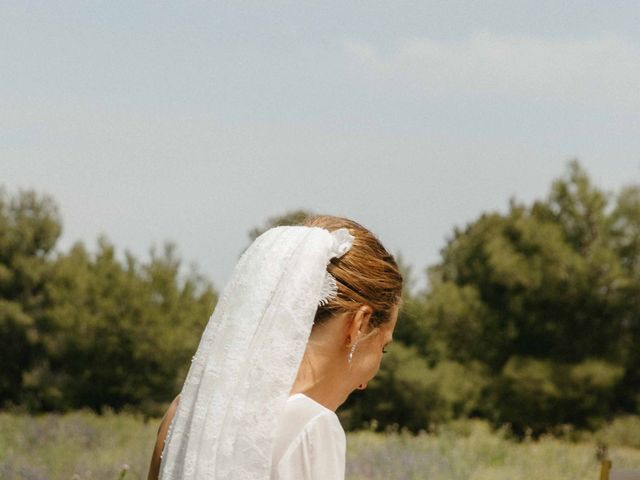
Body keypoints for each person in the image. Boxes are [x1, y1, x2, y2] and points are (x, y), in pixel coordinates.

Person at [147, 215, 403, 480]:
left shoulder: (183, 414)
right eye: (382, 348)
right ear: (358, 324)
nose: (365, 383)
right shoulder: (313, 427)